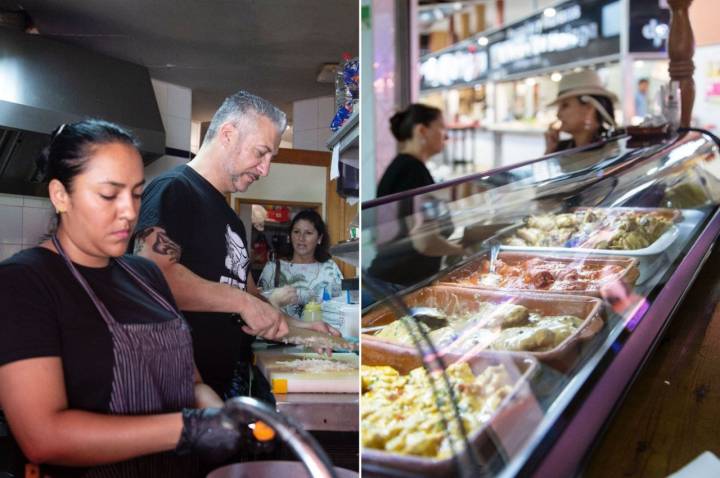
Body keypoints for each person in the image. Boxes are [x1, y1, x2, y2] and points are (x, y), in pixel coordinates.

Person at [0, 120, 241, 477]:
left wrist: (223, 422)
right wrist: (190, 428)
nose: (129, 212)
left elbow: (193, 384)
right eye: (109, 194)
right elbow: (43, 436)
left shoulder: (146, 276)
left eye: (137, 193)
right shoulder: (25, 282)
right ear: (59, 195)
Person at [130, 91, 338, 404]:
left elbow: (251, 299)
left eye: (271, 158)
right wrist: (240, 302)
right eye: (261, 153)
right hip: (174, 393)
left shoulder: (230, 217)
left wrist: (304, 329)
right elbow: (153, 277)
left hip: (223, 384)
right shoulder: (174, 190)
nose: (265, 168)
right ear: (228, 134)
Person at [367, 104, 464, 289]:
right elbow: (424, 242)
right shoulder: (412, 172)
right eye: (442, 127)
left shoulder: (405, 167)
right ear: (422, 130)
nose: (446, 135)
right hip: (397, 284)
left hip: (393, 281)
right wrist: (466, 249)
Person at [258, 209, 343, 319]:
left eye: (308, 233)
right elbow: (259, 305)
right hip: (281, 333)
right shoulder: (272, 268)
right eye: (296, 232)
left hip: (320, 334)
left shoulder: (330, 268)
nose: (301, 238)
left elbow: (341, 305)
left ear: (319, 238)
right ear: (290, 236)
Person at [545, 70, 618, 154]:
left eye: (565, 105)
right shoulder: (560, 148)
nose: (558, 115)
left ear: (589, 109)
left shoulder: (612, 149)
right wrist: (550, 149)